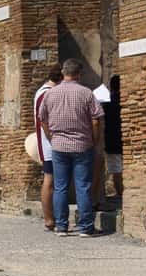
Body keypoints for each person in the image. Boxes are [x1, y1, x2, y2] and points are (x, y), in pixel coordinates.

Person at [38, 58, 105, 237]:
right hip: (83, 144)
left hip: (59, 146)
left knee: (60, 187)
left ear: (63, 73)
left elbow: (42, 119)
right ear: (79, 74)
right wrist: (95, 140)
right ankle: (85, 227)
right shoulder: (86, 93)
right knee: (83, 186)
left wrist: (51, 137)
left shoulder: (50, 94)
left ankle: (61, 226)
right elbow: (96, 119)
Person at [34, 66, 63, 231]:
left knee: (52, 180)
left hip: (50, 143)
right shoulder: (46, 94)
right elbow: (43, 119)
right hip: (49, 145)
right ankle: (49, 218)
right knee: (50, 180)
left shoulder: (43, 92)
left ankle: (53, 217)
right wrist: (53, 139)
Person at [102, 75, 124, 204]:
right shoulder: (125, 99)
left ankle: (120, 194)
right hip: (126, 139)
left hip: (111, 139)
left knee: (116, 170)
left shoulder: (107, 101)